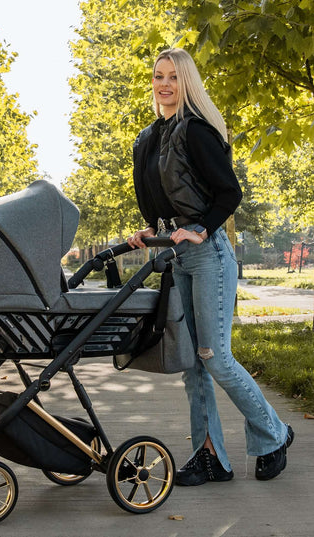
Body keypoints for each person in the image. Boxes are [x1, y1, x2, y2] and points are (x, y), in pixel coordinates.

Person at [127, 48, 294, 486]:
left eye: (173, 77)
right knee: (192, 364)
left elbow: (228, 192)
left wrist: (200, 228)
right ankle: (210, 456)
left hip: (208, 255)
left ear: (187, 83)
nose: (164, 84)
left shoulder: (195, 131)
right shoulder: (146, 139)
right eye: (158, 76)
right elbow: (161, 204)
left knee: (214, 357)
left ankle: (274, 433)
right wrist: (148, 232)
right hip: (174, 255)